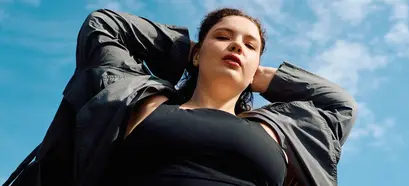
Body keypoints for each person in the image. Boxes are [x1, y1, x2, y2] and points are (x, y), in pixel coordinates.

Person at [4, 7, 357, 186]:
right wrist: (191, 50)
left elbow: (339, 105)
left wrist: (261, 76)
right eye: (223, 36)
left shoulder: (279, 131)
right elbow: (103, 26)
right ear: (198, 53)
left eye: (250, 45)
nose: (236, 44)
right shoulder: (141, 102)